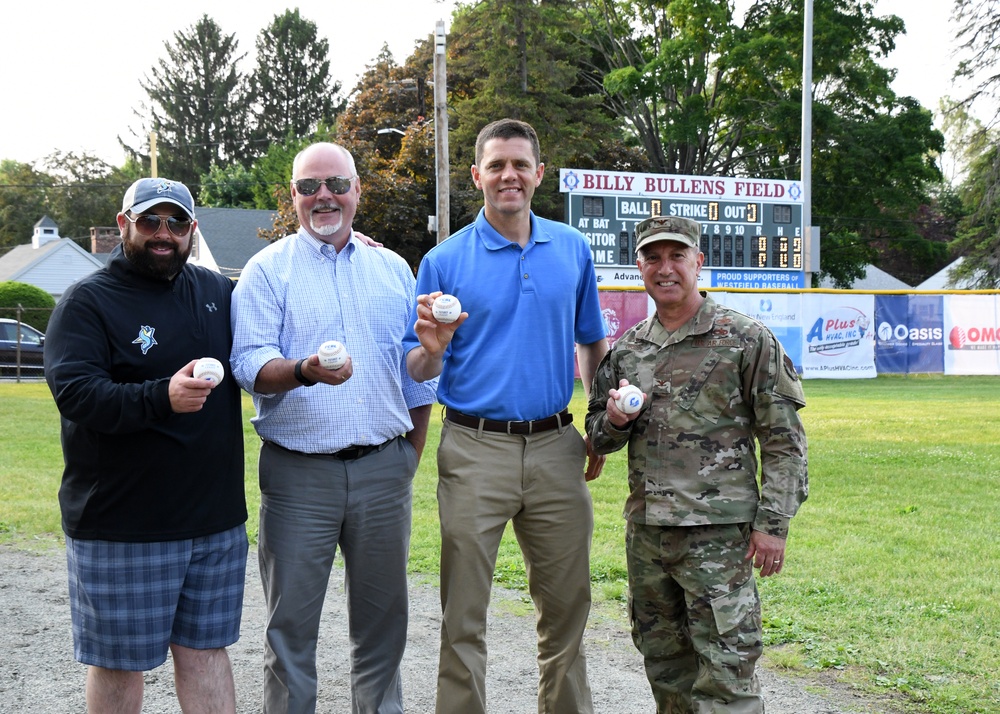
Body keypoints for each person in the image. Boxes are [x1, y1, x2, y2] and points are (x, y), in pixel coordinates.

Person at [404, 118, 609, 714]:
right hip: (474, 446)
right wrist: (433, 350)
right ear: (477, 176)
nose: (509, 175)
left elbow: (591, 344)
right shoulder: (444, 261)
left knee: (568, 608)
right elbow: (415, 367)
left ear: (539, 174)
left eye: (520, 164)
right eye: (496, 165)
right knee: (464, 613)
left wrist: (597, 423)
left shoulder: (571, 248)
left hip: (555, 446)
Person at [230, 141, 437, 714]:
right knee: (290, 630)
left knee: (383, 628)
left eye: (337, 184)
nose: (324, 196)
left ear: (357, 191)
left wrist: (407, 457)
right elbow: (249, 366)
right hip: (300, 476)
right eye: (309, 187)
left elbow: (416, 374)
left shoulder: (393, 268)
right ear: (292, 196)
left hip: (383, 470)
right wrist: (304, 372)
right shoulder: (267, 270)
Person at [584, 215, 809, 713]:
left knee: (727, 669)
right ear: (639, 266)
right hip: (648, 535)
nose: (665, 268)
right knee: (665, 665)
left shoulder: (745, 339)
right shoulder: (628, 350)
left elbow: (784, 440)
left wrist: (773, 524)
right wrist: (616, 420)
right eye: (653, 257)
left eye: (676, 256)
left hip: (718, 536)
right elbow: (598, 435)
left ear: (698, 262)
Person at [43, 177, 248, 714]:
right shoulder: (86, 303)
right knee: (117, 664)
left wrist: (345, 238)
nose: (164, 233)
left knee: (207, 653)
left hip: (214, 521)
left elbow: (282, 298)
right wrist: (163, 396)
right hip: (122, 523)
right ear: (123, 224)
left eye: (176, 222)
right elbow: (77, 394)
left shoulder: (215, 291)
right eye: (150, 220)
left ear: (192, 230)